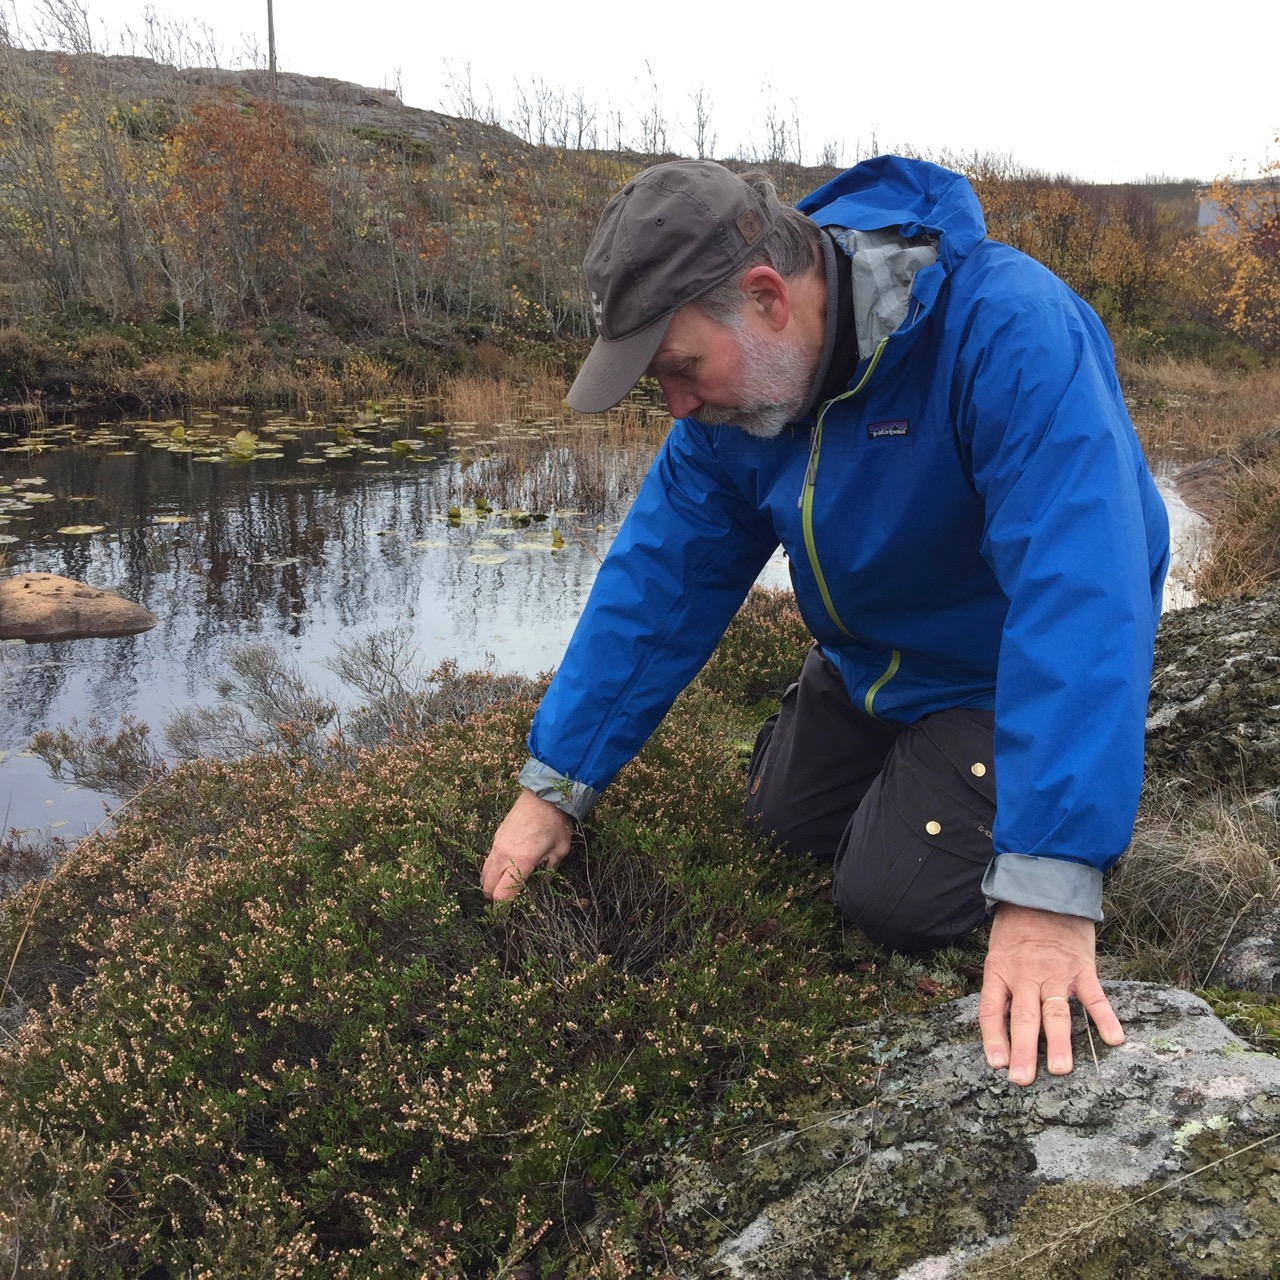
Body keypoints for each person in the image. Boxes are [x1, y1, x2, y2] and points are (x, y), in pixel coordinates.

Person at [480, 155, 1170, 1087]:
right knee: (773, 826)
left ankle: (1028, 789)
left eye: (680, 368)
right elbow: (659, 583)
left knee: (888, 898)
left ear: (766, 297)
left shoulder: (1009, 330)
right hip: (869, 664)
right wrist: (556, 783)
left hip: (997, 676)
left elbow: (1085, 591)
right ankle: (883, 755)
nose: (677, 405)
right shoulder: (731, 414)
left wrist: (1049, 886)